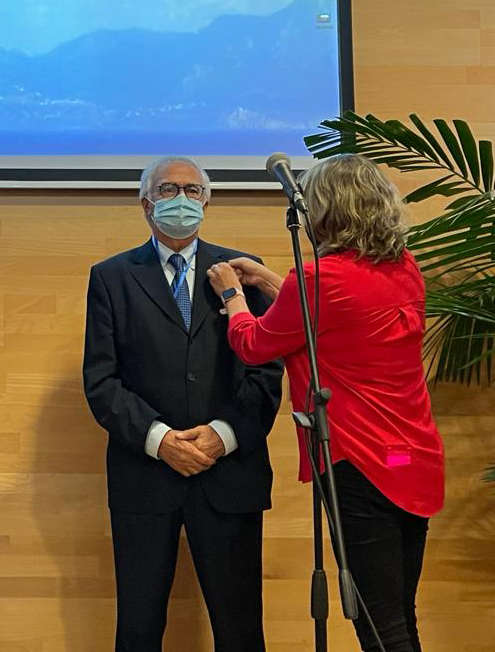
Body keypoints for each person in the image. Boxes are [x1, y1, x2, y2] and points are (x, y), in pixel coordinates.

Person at [207, 153, 445, 652]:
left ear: (325, 210)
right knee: (399, 612)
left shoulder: (317, 281)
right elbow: (327, 322)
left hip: (360, 463)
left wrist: (233, 296)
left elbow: (254, 342)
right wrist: (273, 282)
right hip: (410, 458)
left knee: (379, 626)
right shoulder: (403, 268)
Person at [83, 156, 283, 652]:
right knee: (138, 627)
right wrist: (161, 441)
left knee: (240, 629)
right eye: (169, 189)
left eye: (194, 191)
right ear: (145, 203)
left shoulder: (243, 272)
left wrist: (222, 435)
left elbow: (266, 372)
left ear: (208, 202)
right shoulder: (111, 277)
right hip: (145, 476)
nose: (182, 200)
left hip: (230, 474)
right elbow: (101, 382)